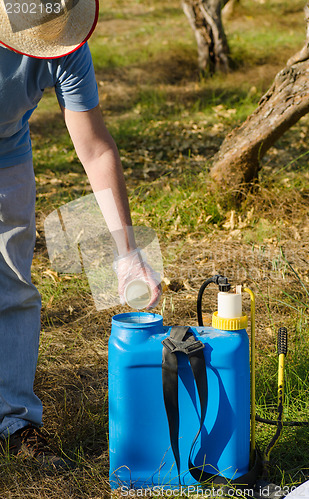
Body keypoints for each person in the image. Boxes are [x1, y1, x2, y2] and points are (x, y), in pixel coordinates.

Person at [0, 0, 162, 466]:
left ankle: (13, 422)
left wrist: (125, 251)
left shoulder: (67, 46)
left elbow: (94, 150)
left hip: (7, 155)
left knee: (12, 285)